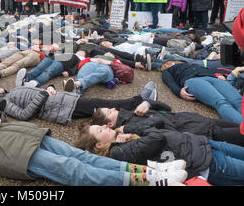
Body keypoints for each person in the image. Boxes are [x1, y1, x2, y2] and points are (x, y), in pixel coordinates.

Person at [0, 114, 187, 186]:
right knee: (76, 170)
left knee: (82, 156)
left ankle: (148, 171)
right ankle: (147, 182)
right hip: (16, 154)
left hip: (29, 136)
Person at [76, 122, 244, 186]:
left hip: (202, 145)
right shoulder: (118, 152)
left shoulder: (122, 142)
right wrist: (130, 127)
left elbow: (157, 123)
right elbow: (157, 137)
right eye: (100, 130)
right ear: (99, 145)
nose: (106, 126)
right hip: (207, 162)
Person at [0, 82, 167, 126]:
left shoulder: (11, 92)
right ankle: (140, 101)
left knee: (101, 106)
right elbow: (25, 114)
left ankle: (139, 107)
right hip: (61, 108)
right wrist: (45, 94)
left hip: (62, 100)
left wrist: (49, 88)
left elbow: (36, 94)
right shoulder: (4, 103)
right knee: (102, 104)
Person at [90, 104, 244, 147]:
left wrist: (148, 103)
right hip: (201, 131)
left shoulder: (133, 112)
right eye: (110, 111)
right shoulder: (131, 126)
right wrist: (155, 116)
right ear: (110, 123)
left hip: (199, 121)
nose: (115, 108)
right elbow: (168, 131)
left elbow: (166, 108)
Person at [161, 61, 243, 124]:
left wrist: (217, 75)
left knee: (238, 100)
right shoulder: (167, 71)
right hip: (193, 80)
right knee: (221, 102)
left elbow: (209, 70)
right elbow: (170, 82)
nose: (172, 63)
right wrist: (179, 92)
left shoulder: (191, 64)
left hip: (212, 78)